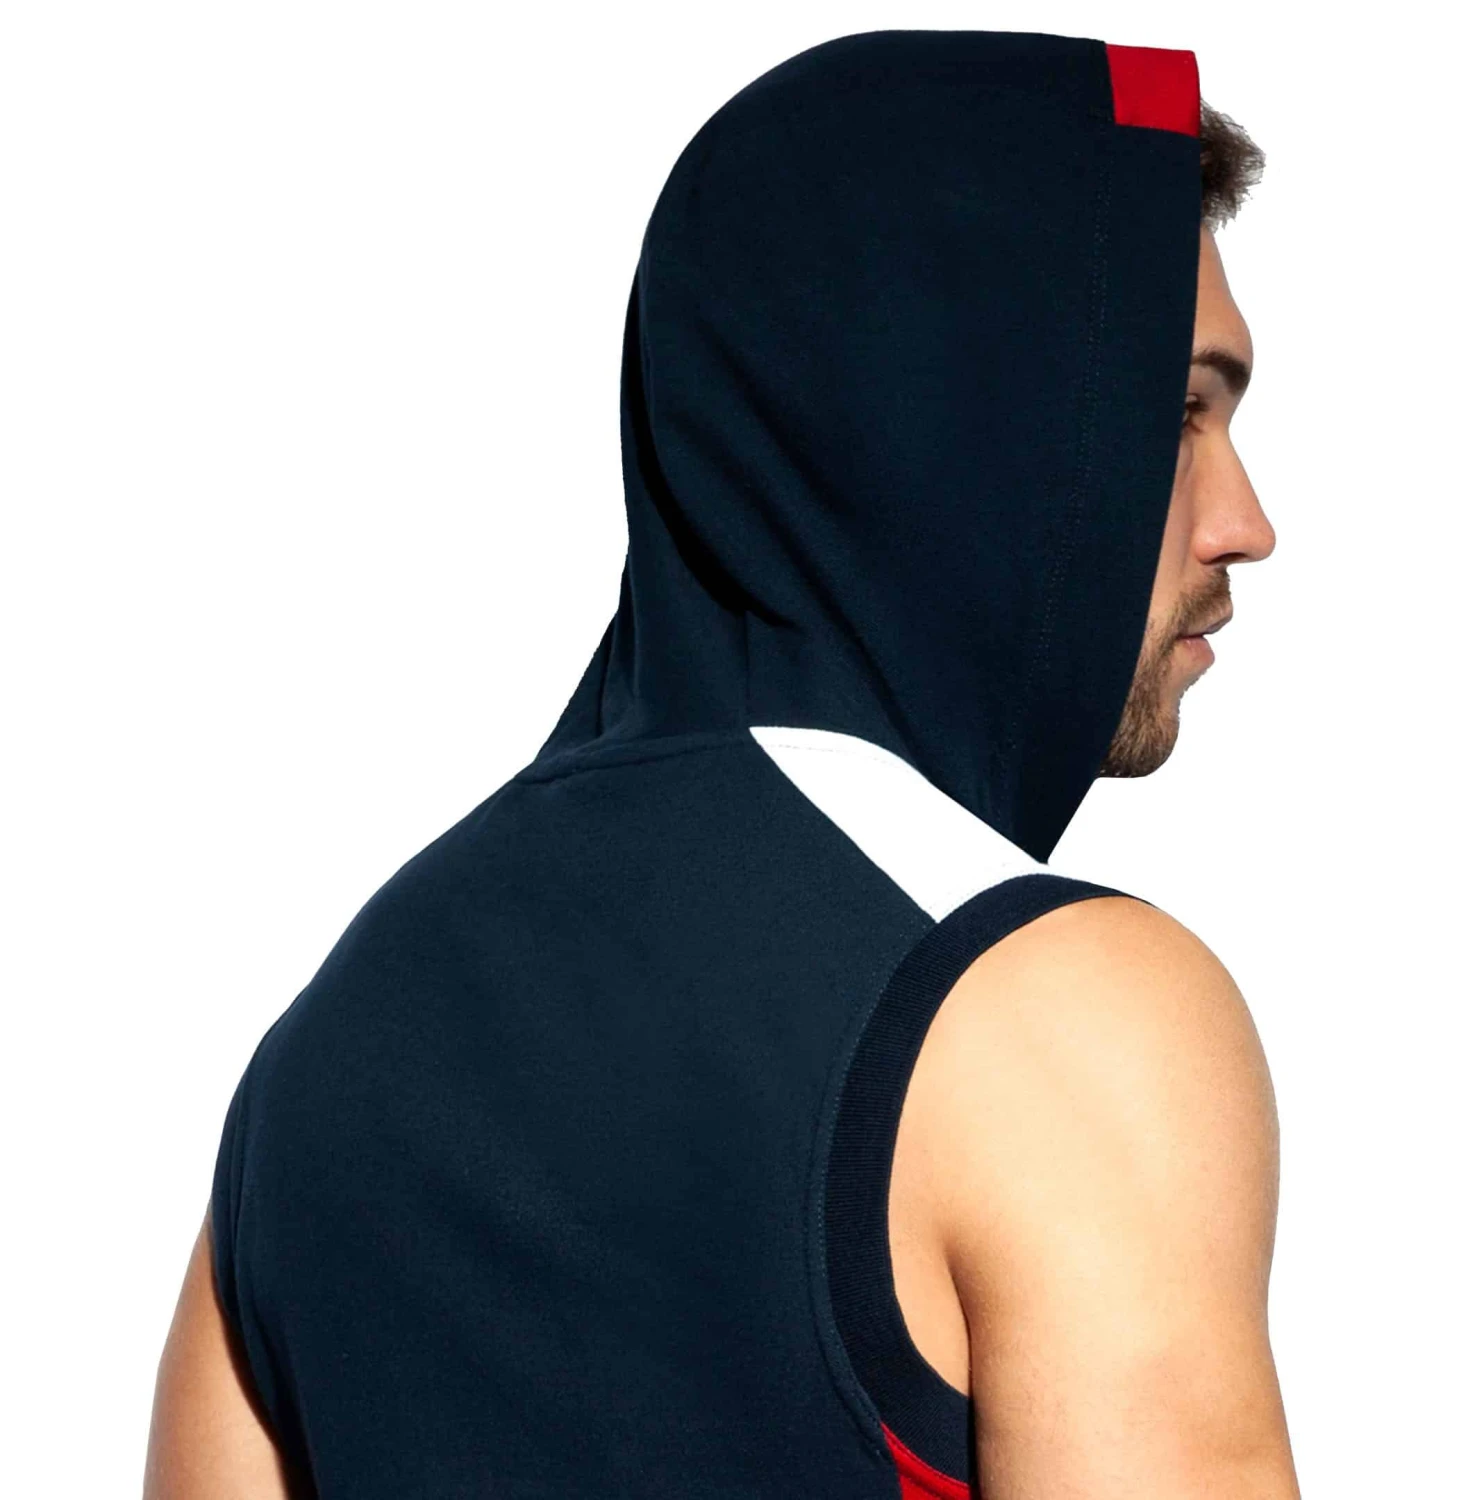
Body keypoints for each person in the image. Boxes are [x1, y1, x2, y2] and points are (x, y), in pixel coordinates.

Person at [145, 28, 1297, 1499]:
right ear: (947, 405)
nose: (1246, 522)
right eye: (1177, 412)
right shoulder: (1059, 1012)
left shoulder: (316, 1070)